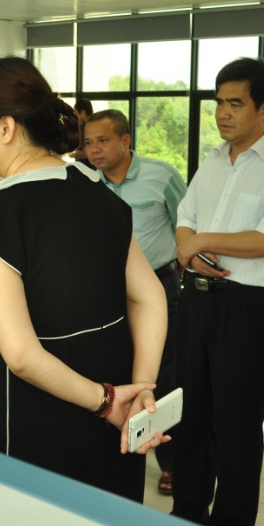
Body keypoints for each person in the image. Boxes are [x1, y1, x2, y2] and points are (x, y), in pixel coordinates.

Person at [0, 56, 168, 502]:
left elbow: (22, 357)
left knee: (43, 523)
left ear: (5, 127)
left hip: (42, 407)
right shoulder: (96, 189)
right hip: (118, 383)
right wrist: (139, 393)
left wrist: (107, 402)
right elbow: (149, 297)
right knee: (112, 517)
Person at [171, 57, 264, 526]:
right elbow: (185, 218)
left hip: (246, 308)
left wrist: (201, 241)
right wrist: (190, 249)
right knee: (191, 414)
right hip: (197, 300)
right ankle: (186, 516)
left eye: (235, 103)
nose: (222, 113)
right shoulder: (212, 160)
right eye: (218, 103)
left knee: (237, 423)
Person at [83, 108, 186, 495]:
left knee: (161, 376)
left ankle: (171, 462)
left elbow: (185, 227)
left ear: (126, 141)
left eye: (103, 140)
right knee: (111, 370)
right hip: (104, 292)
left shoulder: (161, 176)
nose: (94, 149)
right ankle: (118, 446)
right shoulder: (85, 183)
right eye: (88, 142)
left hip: (158, 287)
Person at [70, 98, 94, 167]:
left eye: (76, 113)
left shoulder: (92, 126)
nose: (75, 117)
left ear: (83, 113)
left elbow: (89, 151)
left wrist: (78, 154)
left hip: (91, 167)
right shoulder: (82, 126)